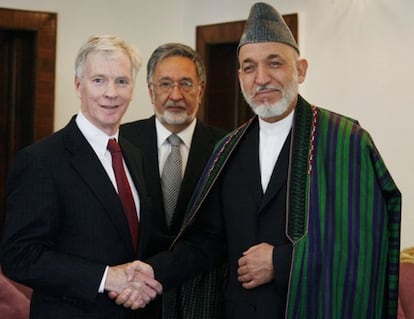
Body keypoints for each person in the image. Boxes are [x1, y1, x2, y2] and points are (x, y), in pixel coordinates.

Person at [113, 2, 402, 318]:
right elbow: (207, 242)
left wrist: (280, 262)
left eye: (274, 63)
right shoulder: (229, 149)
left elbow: (364, 244)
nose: (261, 78)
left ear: (301, 69)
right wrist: (150, 274)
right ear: (239, 76)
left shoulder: (345, 141)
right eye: (249, 67)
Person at [0, 35, 162, 319]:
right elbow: (19, 256)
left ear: (132, 88)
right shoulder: (41, 160)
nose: (111, 93)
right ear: (78, 85)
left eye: (121, 81)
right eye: (98, 80)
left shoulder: (134, 155)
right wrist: (105, 277)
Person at [120, 43, 228, 319]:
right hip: (132, 298)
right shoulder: (121, 142)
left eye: (186, 84)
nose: (175, 95)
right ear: (150, 90)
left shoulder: (226, 148)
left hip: (202, 297)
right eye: (165, 84)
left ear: (201, 90)